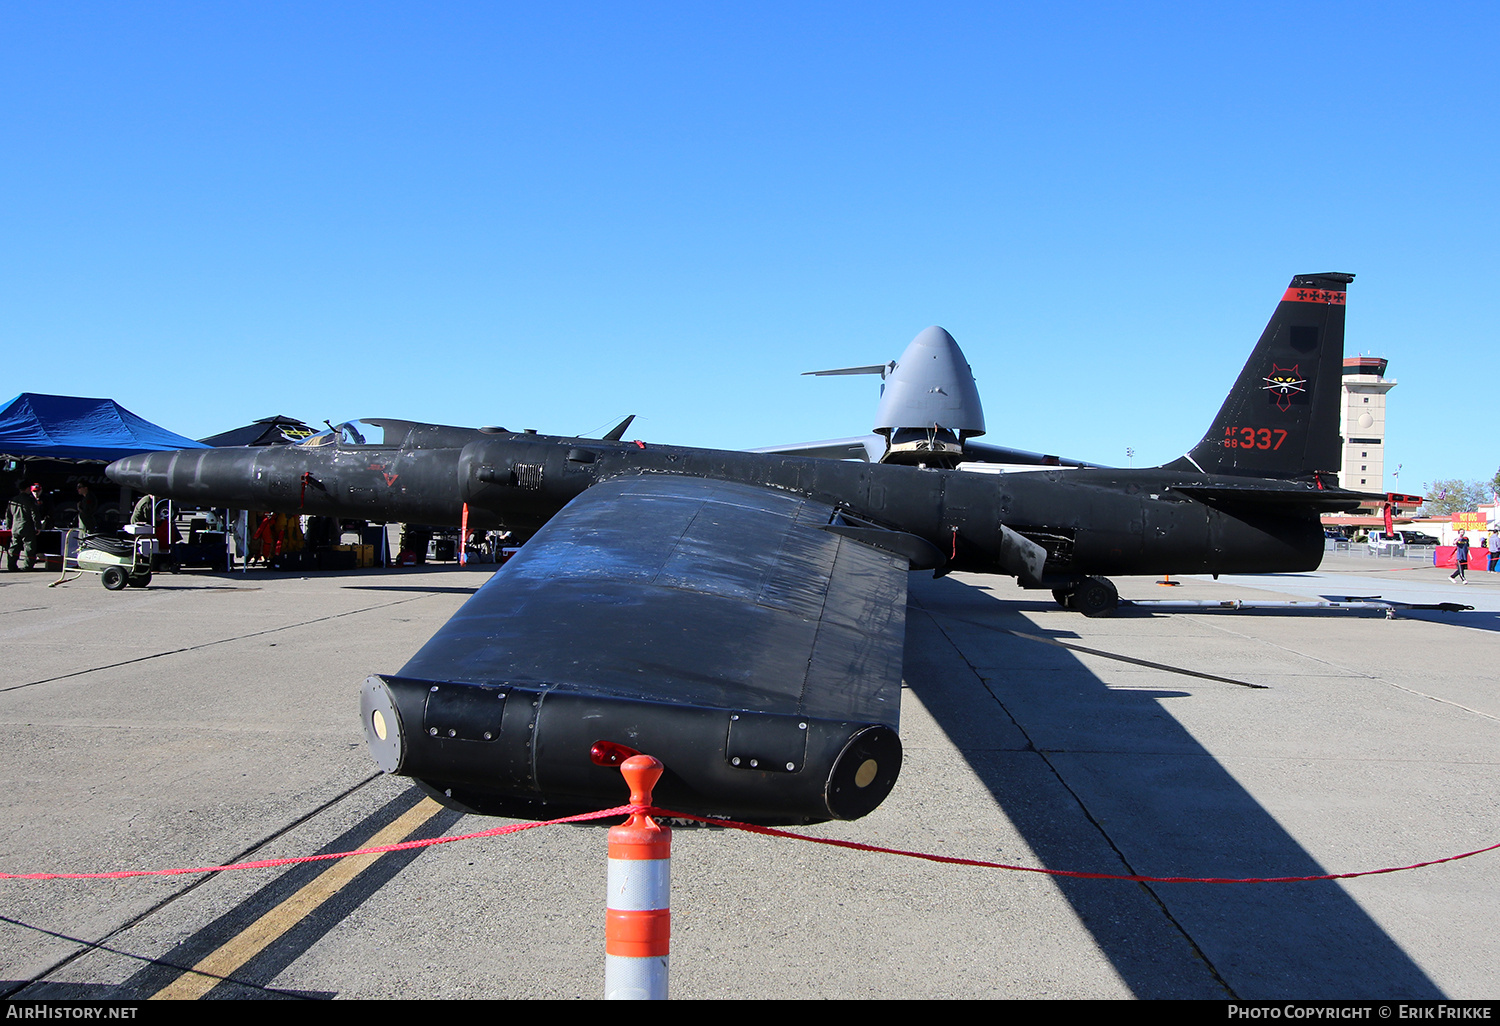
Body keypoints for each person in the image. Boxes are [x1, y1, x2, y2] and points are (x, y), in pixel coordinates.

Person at [7, 482, 43, 571]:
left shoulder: (13, 500)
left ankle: (11, 565)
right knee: (29, 546)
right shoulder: (29, 500)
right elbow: (34, 513)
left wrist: (8, 526)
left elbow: (8, 515)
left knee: (14, 546)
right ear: (27, 489)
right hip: (27, 526)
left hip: (15, 526)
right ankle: (28, 566)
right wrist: (38, 526)